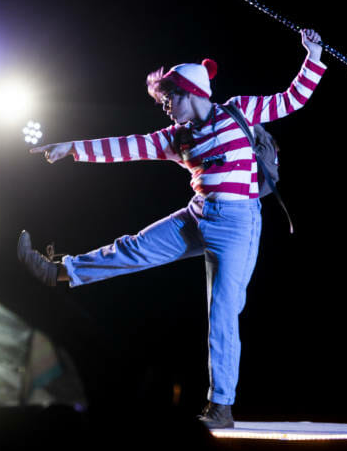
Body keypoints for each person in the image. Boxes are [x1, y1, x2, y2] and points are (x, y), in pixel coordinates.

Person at [19, 28, 326, 429]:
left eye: (169, 99)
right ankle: (58, 271)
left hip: (238, 223)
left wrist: (313, 55)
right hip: (198, 215)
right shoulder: (176, 138)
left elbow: (293, 99)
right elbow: (127, 146)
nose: (165, 107)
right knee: (135, 247)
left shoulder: (239, 111)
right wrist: (72, 147)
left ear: (192, 92)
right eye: (163, 101)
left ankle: (221, 408)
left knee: (223, 313)